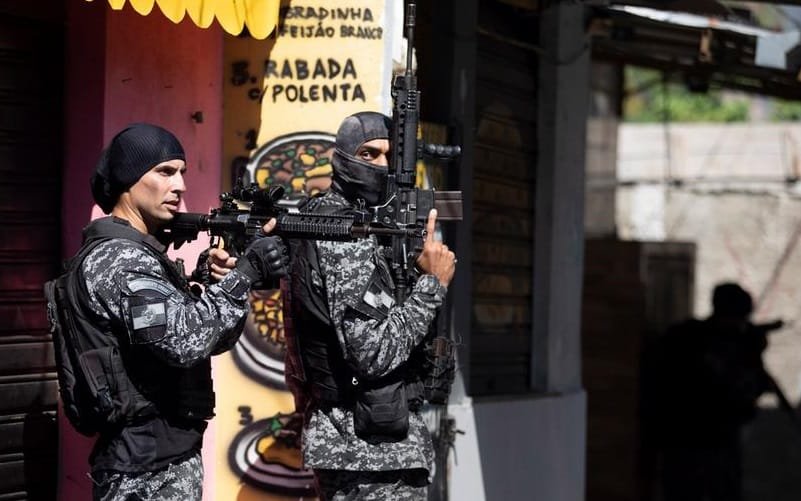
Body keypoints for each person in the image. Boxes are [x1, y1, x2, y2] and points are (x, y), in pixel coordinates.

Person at [67, 123, 288, 500]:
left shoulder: (144, 255)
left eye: (182, 172)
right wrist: (246, 273)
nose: (181, 185)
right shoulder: (119, 260)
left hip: (164, 461)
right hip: (141, 473)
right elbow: (184, 343)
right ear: (128, 179)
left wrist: (220, 281)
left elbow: (208, 340)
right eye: (165, 172)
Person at [283, 111, 457, 500]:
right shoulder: (343, 231)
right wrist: (432, 284)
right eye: (368, 153)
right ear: (342, 158)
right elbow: (372, 352)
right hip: (367, 454)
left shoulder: (357, 223)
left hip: (370, 449)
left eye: (389, 157)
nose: (380, 165)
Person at [642, 282, 775, 501]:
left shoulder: (689, 335)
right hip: (689, 441)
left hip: (713, 442)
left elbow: (752, 386)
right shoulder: (688, 339)